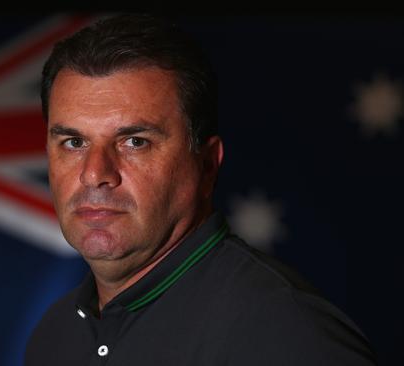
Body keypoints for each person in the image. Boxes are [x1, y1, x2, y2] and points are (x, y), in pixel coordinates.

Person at [25, 13, 376, 365]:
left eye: (134, 141)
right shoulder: (56, 333)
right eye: (73, 142)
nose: (94, 174)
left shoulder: (286, 334)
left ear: (207, 164)